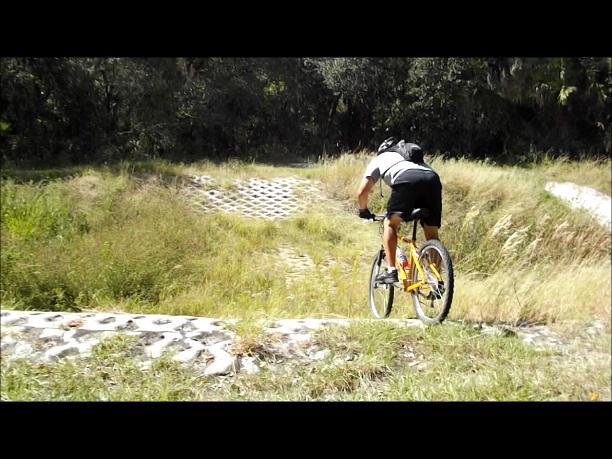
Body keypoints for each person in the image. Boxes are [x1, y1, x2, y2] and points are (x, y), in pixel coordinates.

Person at [357, 137, 443, 284]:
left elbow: (362, 192)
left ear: (380, 151)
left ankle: (391, 271)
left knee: (390, 224)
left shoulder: (380, 158)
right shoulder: (407, 156)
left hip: (407, 179)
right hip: (433, 180)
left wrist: (363, 210)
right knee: (432, 235)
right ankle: (437, 282)